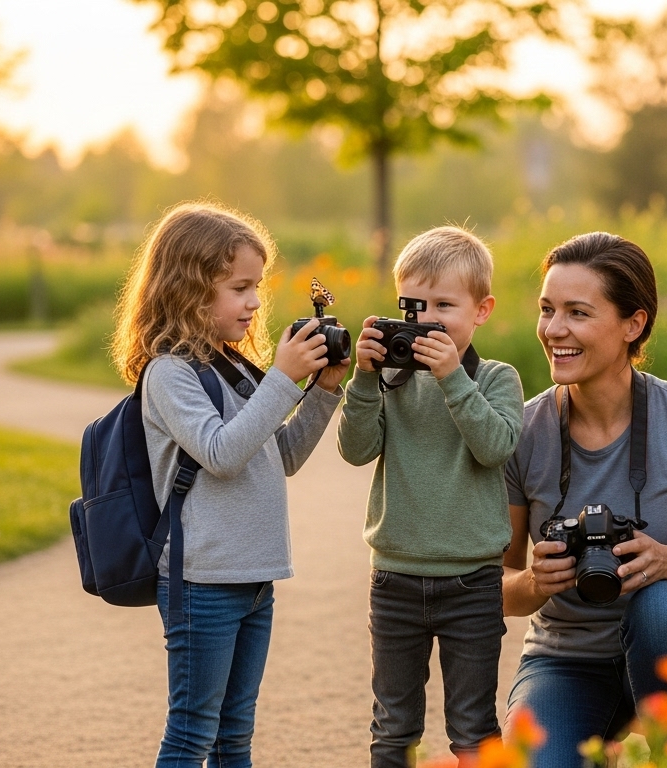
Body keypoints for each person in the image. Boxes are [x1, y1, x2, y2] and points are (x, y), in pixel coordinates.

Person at [111, 202, 348, 767]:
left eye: (257, 286)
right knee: (193, 732)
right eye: (240, 287)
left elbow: (280, 457)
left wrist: (322, 391)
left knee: (235, 735)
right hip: (202, 581)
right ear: (190, 288)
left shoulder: (234, 367)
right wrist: (283, 379)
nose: (255, 301)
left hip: (253, 575)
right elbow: (220, 453)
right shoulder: (170, 373)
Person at [501, 232, 667, 767]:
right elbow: (496, 591)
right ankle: (599, 745)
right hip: (566, 659)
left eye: (577, 312)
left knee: (660, 603)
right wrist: (533, 581)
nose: (554, 330)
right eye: (547, 310)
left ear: (633, 324)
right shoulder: (522, 430)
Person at [337, 227, 524, 768]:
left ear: (481, 310)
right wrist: (366, 378)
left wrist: (450, 378)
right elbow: (356, 450)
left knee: (472, 724)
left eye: (446, 305)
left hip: (473, 581)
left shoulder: (496, 378)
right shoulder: (391, 379)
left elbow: (494, 448)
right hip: (394, 576)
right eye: (415, 306)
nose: (428, 319)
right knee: (393, 725)